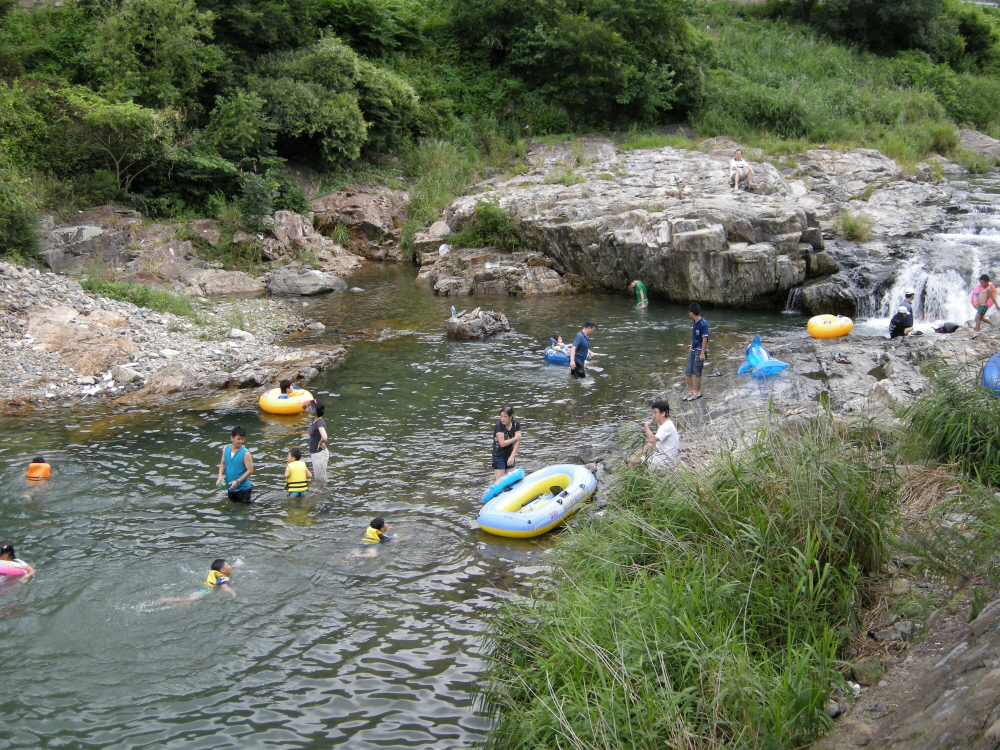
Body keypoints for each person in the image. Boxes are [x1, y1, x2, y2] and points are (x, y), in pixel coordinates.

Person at [158, 559, 236, 605]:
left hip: (202, 588)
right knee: (190, 600)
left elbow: (226, 569)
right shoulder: (223, 579)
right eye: (228, 565)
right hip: (205, 590)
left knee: (190, 601)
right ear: (222, 570)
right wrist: (232, 592)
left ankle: (173, 603)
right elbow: (224, 587)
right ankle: (167, 600)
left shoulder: (217, 573)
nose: (230, 566)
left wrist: (235, 565)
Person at [629, 400, 679, 469]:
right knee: (632, 459)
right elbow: (652, 444)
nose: (653, 415)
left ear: (663, 413)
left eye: (655, 412)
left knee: (631, 462)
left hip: (664, 461)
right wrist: (638, 454)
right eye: (652, 412)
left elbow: (652, 439)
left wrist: (646, 426)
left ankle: (640, 477)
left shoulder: (667, 426)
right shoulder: (663, 425)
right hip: (659, 457)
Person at [217, 426, 254, 504]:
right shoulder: (226, 448)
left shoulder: (246, 453)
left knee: (243, 511)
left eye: (243, 439)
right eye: (238, 439)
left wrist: (237, 481)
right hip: (230, 487)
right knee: (232, 507)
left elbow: (250, 471)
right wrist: (220, 476)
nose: (241, 441)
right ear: (232, 438)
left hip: (243, 489)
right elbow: (223, 463)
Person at [683, 304, 708, 401]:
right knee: (688, 371)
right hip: (693, 348)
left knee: (697, 372)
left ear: (691, 313)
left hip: (699, 349)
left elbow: (704, 338)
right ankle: (690, 391)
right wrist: (691, 345)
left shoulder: (703, 324)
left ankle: (697, 392)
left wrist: (702, 353)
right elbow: (694, 336)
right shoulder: (694, 322)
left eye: (689, 312)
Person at [492, 407, 522, 481]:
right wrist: (515, 438)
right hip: (498, 456)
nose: (502, 419)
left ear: (510, 417)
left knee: (510, 481)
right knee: (500, 482)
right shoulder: (499, 426)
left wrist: (512, 456)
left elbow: (518, 441)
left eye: (505, 416)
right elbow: (502, 443)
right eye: (501, 416)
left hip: (509, 453)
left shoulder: (516, 424)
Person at [307, 400, 329, 483]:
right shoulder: (316, 420)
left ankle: (322, 493)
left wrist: (320, 443)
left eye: (311, 408)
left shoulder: (319, 423)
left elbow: (324, 436)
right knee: (319, 476)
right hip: (316, 454)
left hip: (319, 455)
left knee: (320, 479)